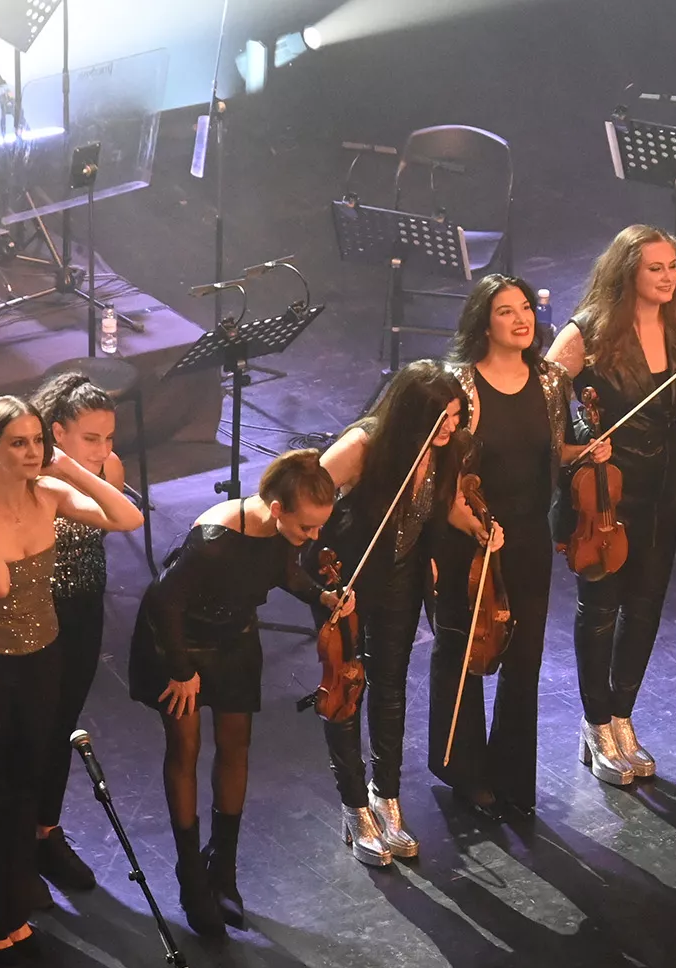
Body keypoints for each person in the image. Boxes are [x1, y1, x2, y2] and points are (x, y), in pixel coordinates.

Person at [0, 395, 140, 968]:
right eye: (17, 443)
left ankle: (14, 900)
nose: (31, 452)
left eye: (36, 440)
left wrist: (69, 466)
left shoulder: (50, 493)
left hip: (42, 658)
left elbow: (129, 518)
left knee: (26, 783)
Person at [128, 450, 353, 934]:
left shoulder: (282, 532)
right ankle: (191, 875)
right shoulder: (216, 539)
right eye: (307, 528)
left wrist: (322, 594)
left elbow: (284, 569)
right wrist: (181, 670)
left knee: (236, 747)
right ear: (277, 509)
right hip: (178, 644)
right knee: (184, 748)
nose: (314, 538)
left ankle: (221, 867)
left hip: (233, 641)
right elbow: (165, 602)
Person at [547, 226, 676, 785]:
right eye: (655, 268)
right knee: (601, 608)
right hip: (606, 487)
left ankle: (622, 716)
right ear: (629, 273)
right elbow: (544, 394)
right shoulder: (588, 332)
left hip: (663, 481)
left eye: (673, 266)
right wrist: (573, 444)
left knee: (644, 605)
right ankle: (595, 724)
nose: (668, 277)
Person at [313, 362, 477, 865]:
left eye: (453, 416)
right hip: (348, 583)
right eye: (440, 419)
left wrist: (478, 527)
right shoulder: (362, 448)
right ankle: (354, 804)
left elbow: (441, 502)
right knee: (345, 692)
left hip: (403, 580)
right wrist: (320, 583)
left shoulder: (442, 450)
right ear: (409, 417)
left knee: (390, 687)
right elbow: (307, 498)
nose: (449, 428)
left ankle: (386, 795)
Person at [427, 274, 576, 816]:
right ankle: (464, 771)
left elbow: (554, 449)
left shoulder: (552, 380)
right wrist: (472, 527)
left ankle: (513, 775)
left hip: (530, 534)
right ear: (483, 323)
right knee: (467, 654)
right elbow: (441, 475)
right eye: (505, 311)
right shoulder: (459, 384)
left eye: (526, 309)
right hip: (471, 534)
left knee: (524, 660)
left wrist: (589, 454)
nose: (521, 319)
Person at [24, 373, 145, 894]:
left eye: (109, 437)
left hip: (84, 609)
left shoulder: (106, 469)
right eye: (90, 438)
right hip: (35, 614)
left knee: (62, 722)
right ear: (58, 432)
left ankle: (44, 833)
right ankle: (17, 842)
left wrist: (86, 467)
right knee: (32, 727)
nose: (103, 449)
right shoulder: (30, 473)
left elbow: (122, 519)